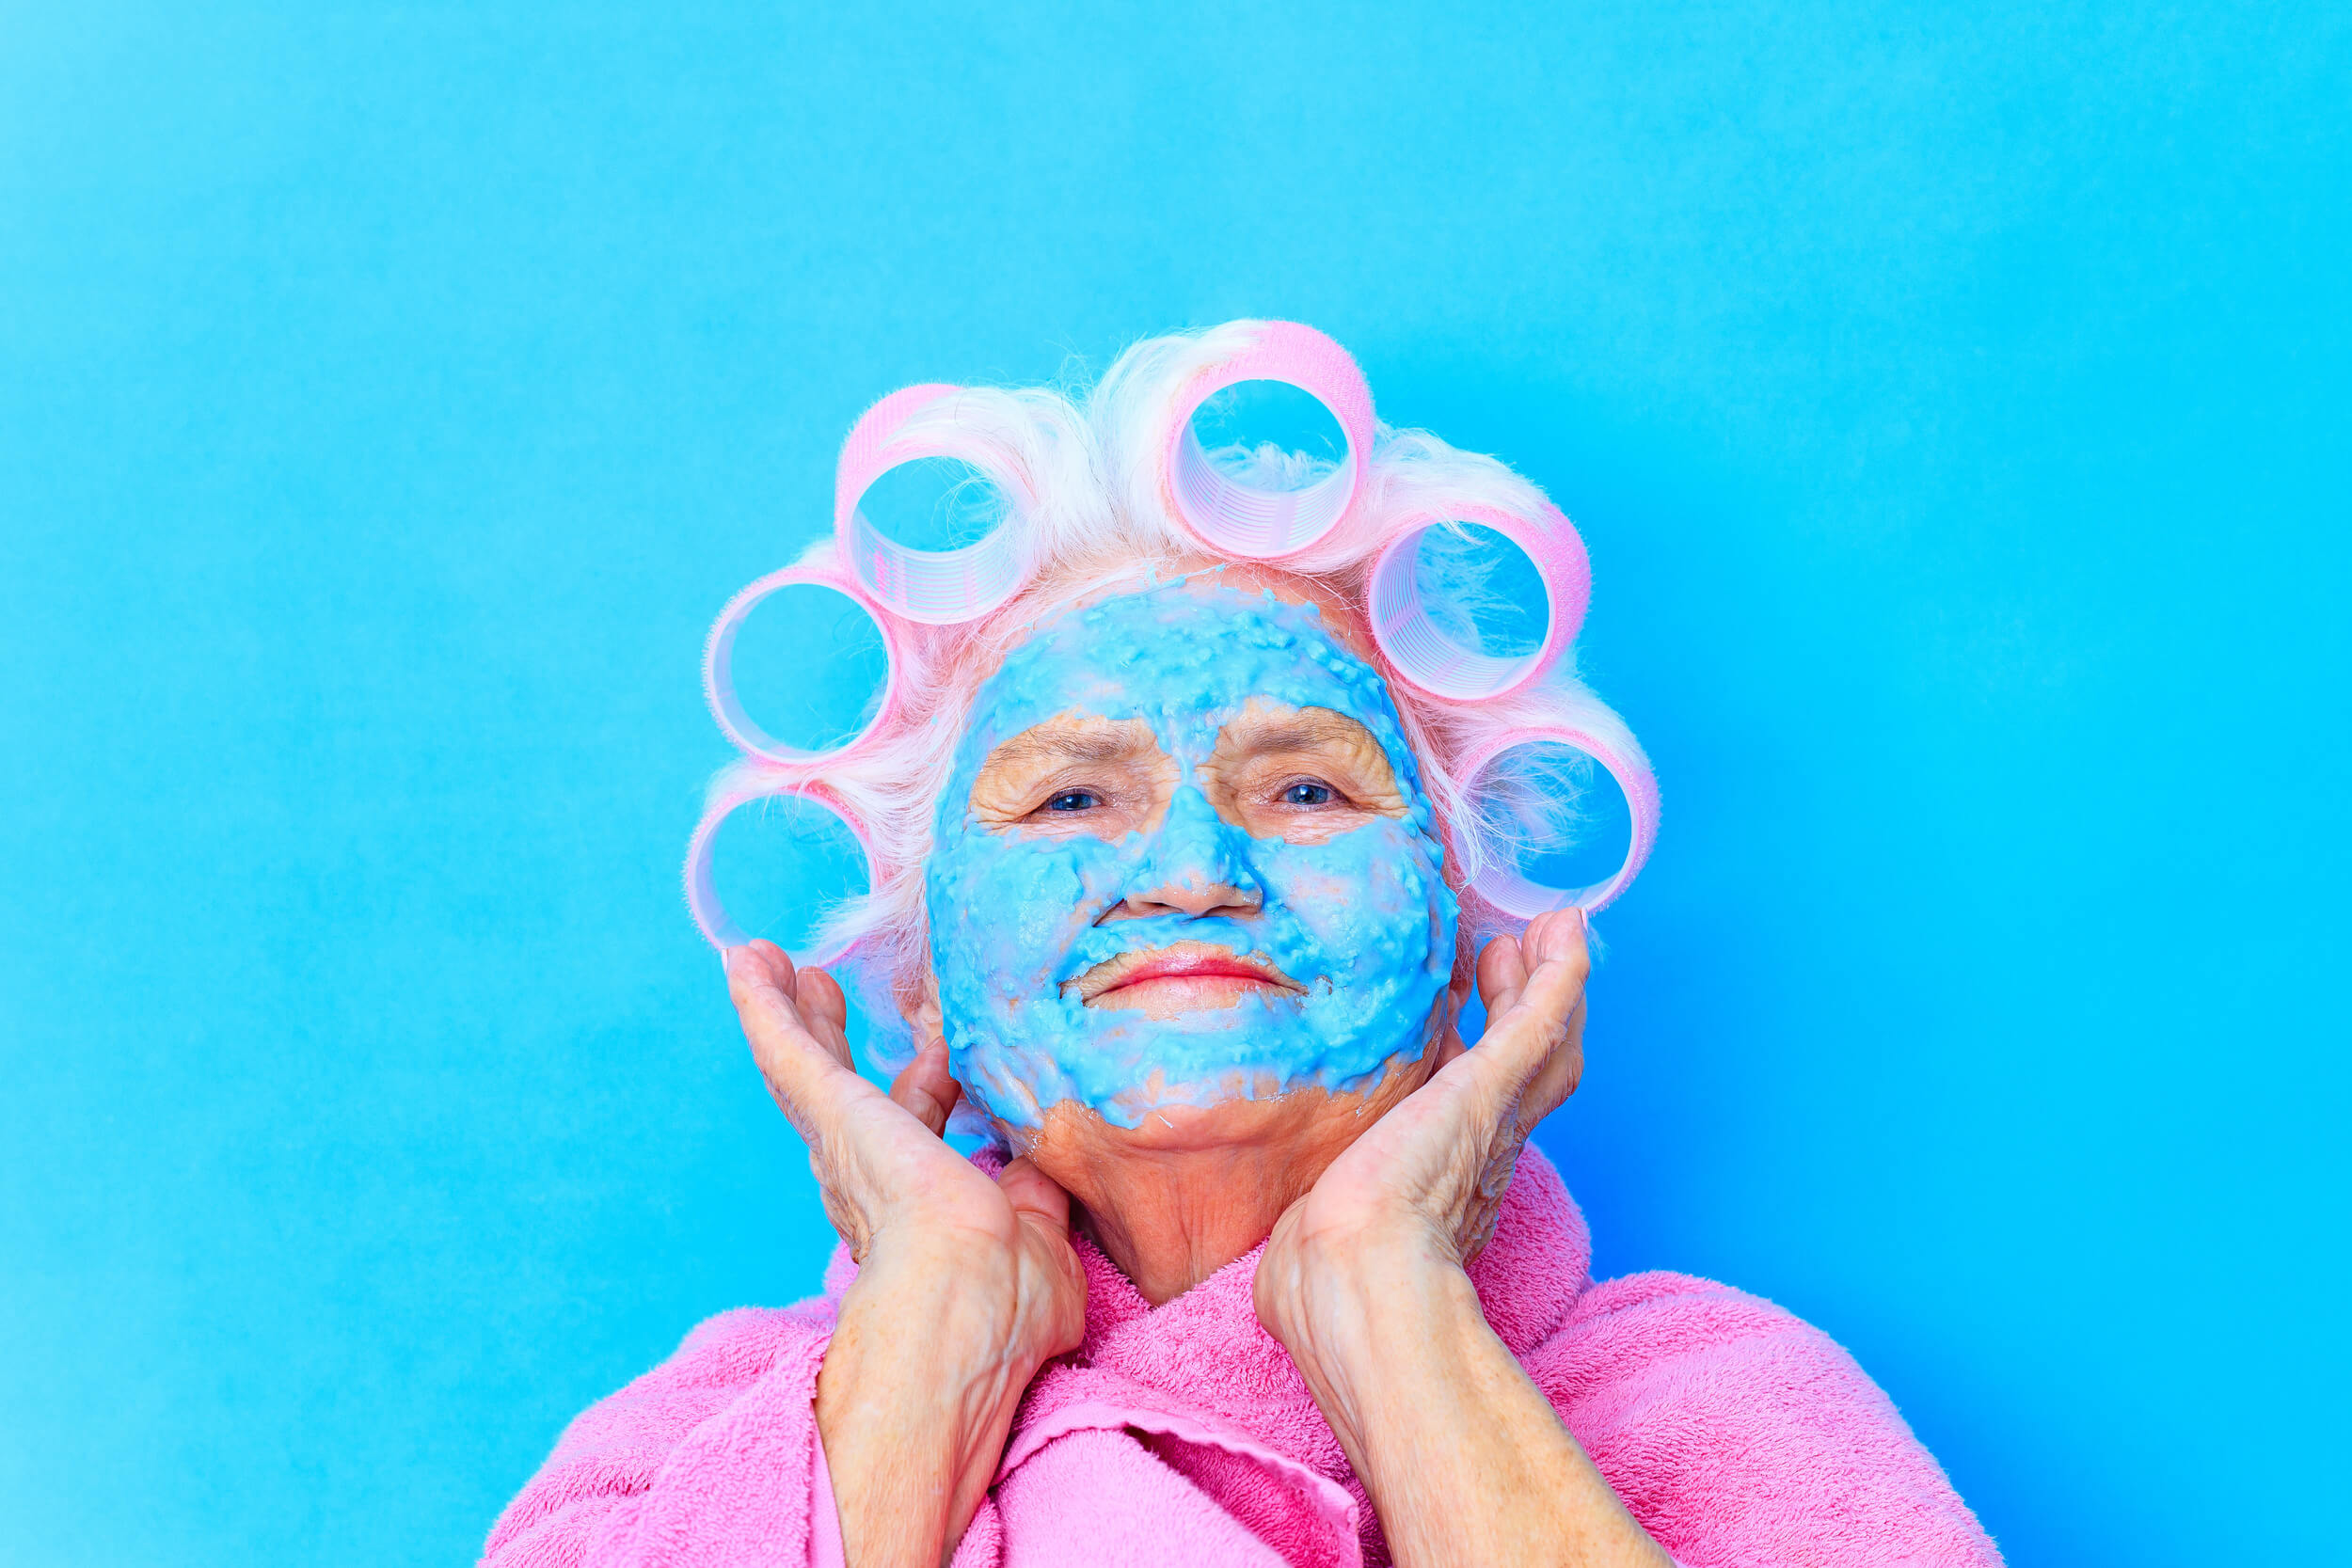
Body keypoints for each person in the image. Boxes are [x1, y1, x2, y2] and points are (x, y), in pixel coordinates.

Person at [484, 324, 2003, 1567]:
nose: (1192, 871)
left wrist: (1390, 1306)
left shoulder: (1732, 1420)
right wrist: (929, 1343)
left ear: (1464, 939)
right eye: (1072, 796)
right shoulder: (670, 1461)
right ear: (925, 965)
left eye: (1303, 788)